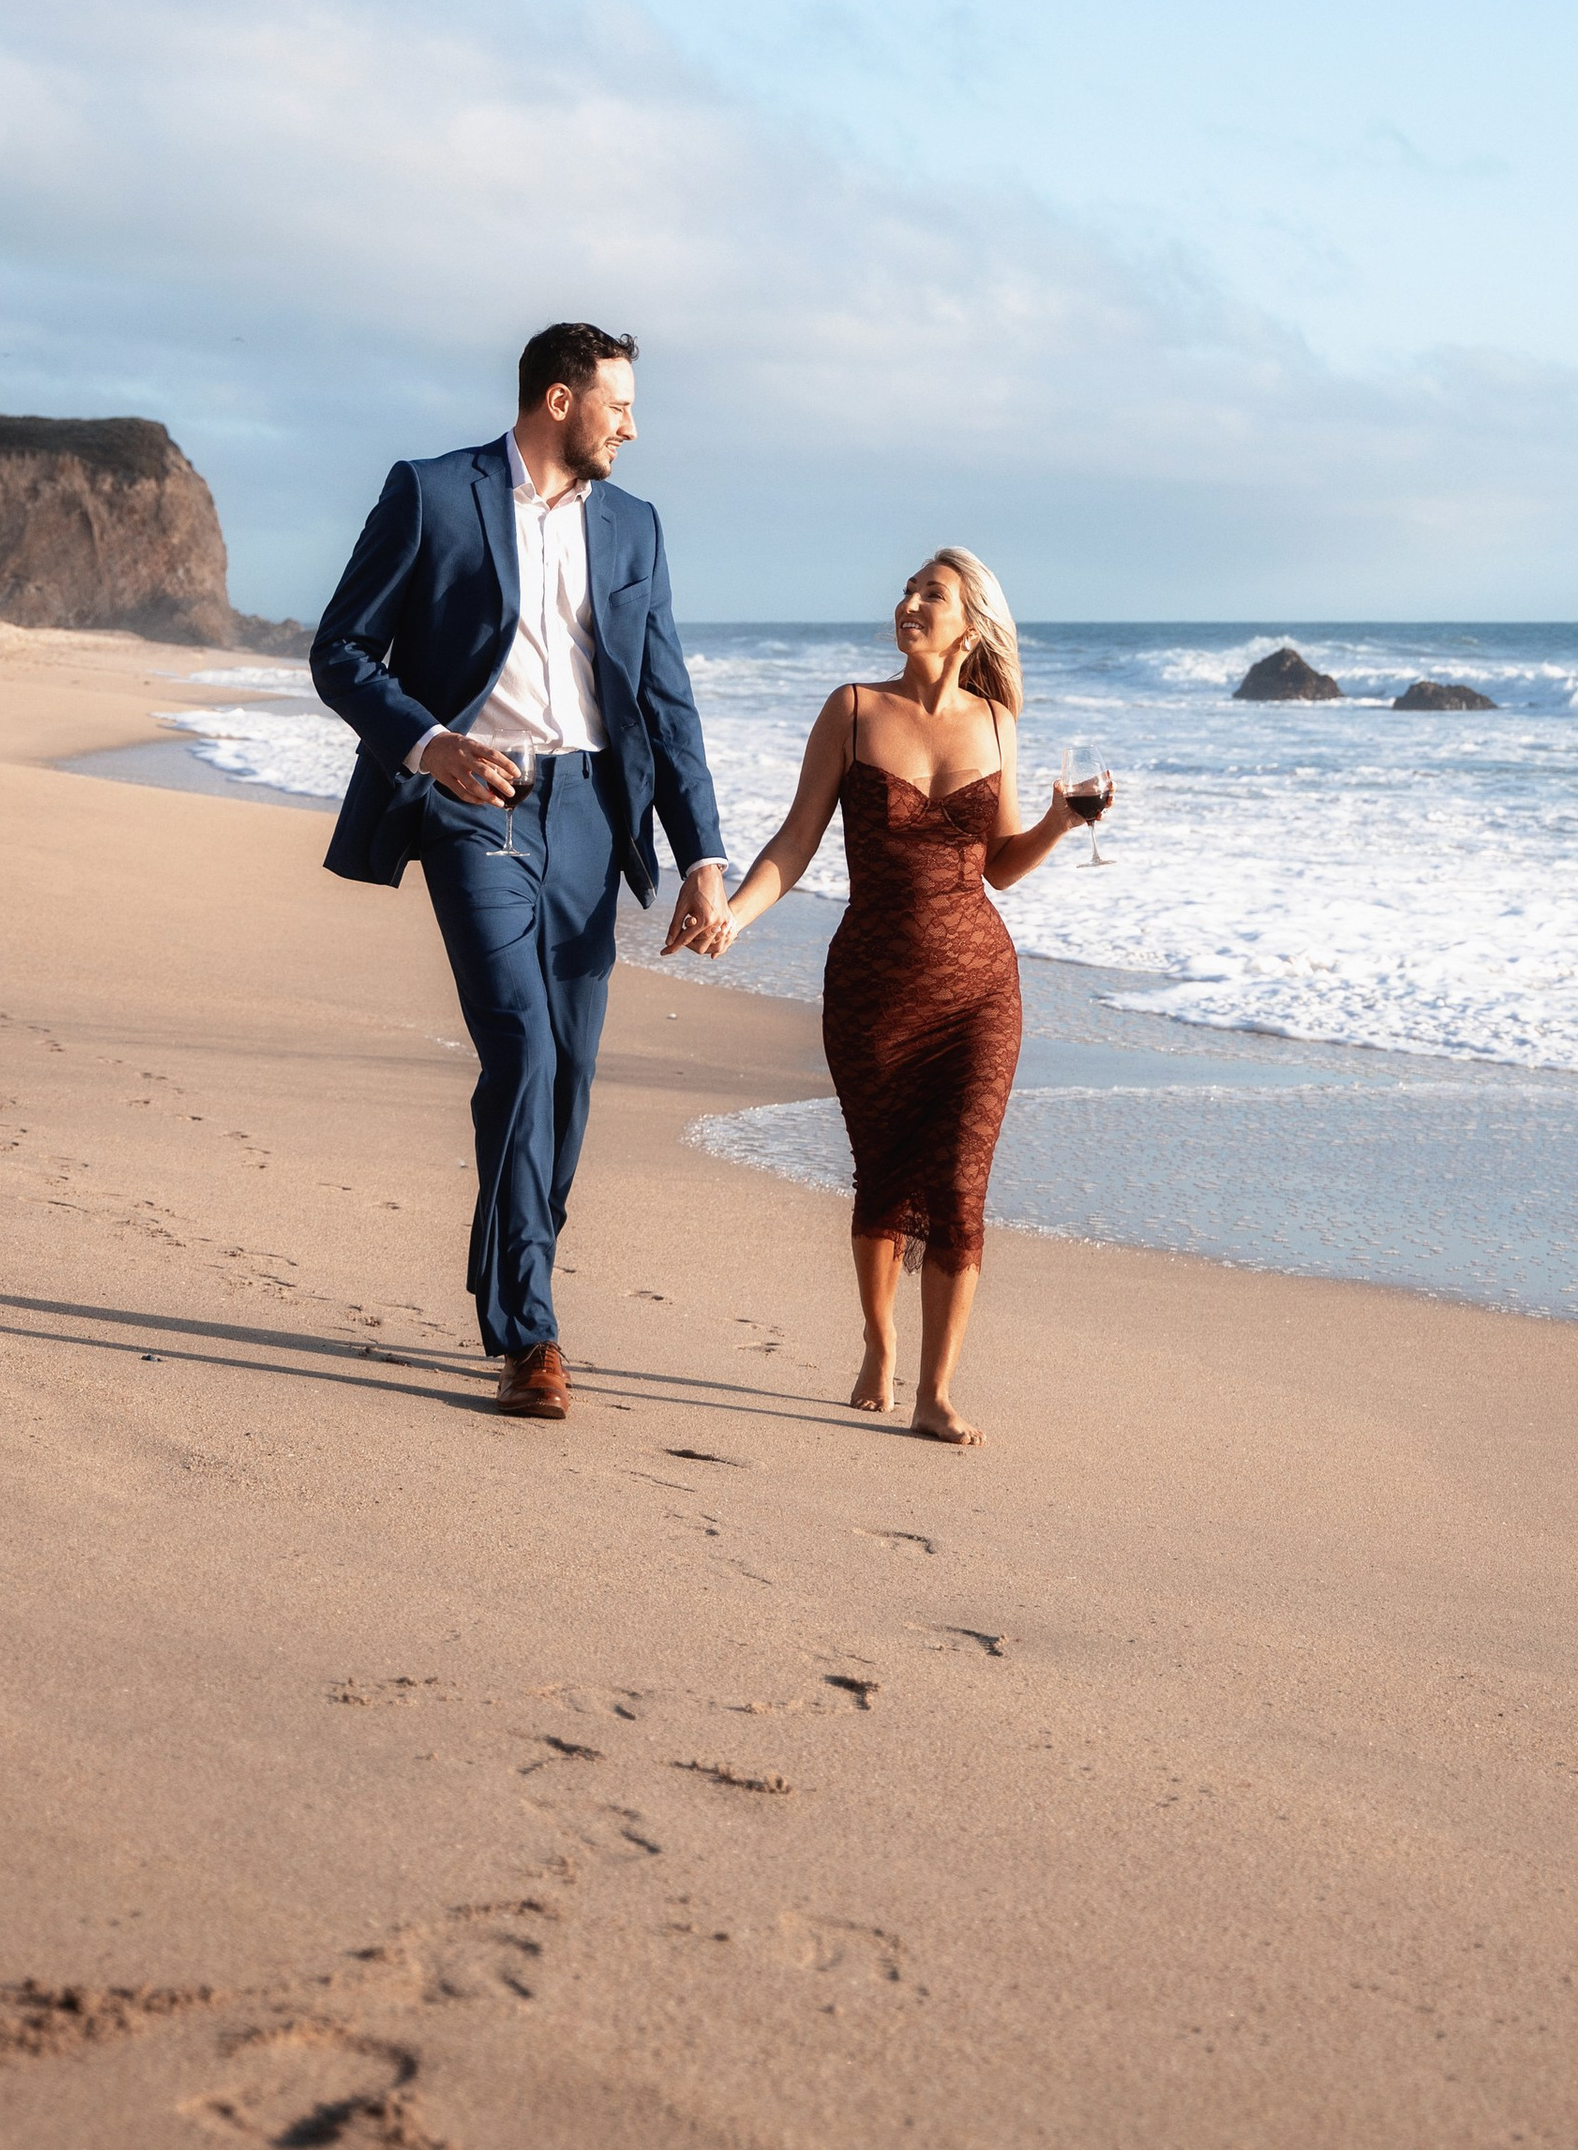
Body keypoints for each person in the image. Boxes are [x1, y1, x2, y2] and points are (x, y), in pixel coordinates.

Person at [311, 323, 730, 1419]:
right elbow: (340, 650)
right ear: (558, 400)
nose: (633, 427)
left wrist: (703, 855)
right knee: (523, 1050)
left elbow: (666, 699)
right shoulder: (433, 493)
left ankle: (511, 1275)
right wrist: (429, 743)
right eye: (618, 406)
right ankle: (530, 1332)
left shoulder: (635, 528)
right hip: (472, 806)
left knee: (573, 1077)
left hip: (594, 814)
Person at [672, 549, 1106, 1446]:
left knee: (960, 1184)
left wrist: (1061, 823)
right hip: (874, 981)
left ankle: (936, 1391)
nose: (908, 603)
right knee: (882, 1172)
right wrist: (739, 917)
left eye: (931, 594)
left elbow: (1001, 868)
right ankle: (880, 1342)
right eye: (908, 590)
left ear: (971, 621)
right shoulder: (854, 709)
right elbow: (796, 840)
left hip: (982, 986)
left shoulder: (997, 720)